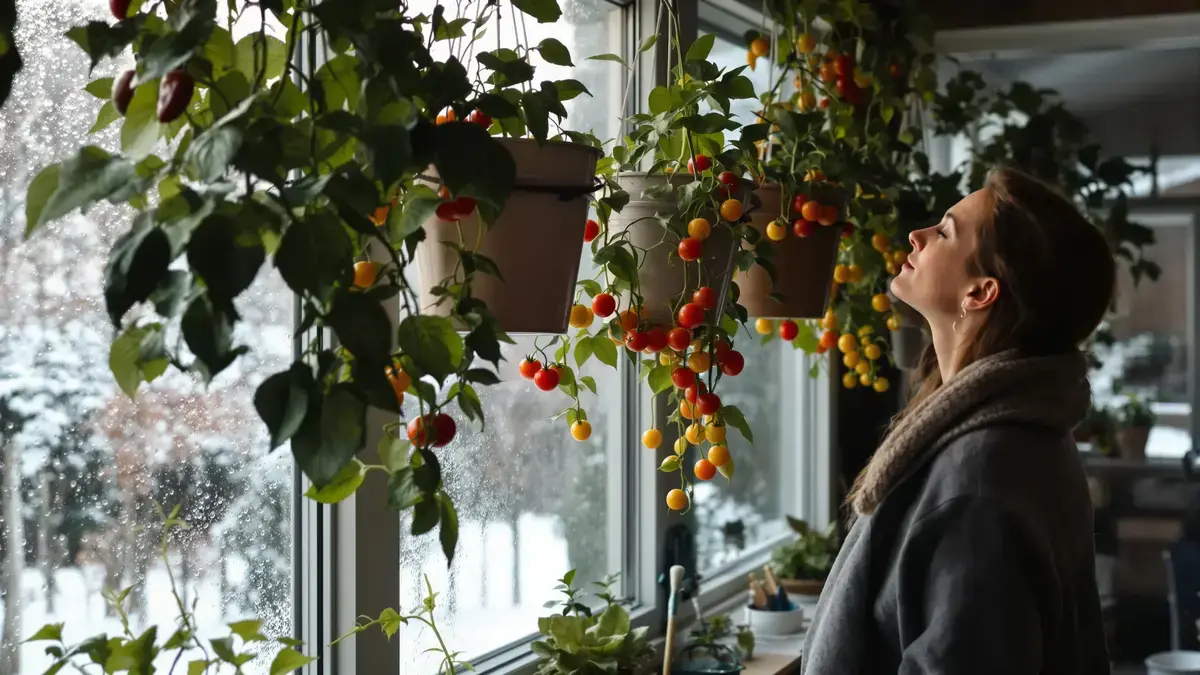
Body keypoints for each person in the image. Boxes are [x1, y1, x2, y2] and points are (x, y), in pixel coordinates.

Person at [801, 167, 1114, 675]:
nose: (917, 235)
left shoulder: (981, 479)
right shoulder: (1017, 433)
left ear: (980, 293)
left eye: (944, 232)